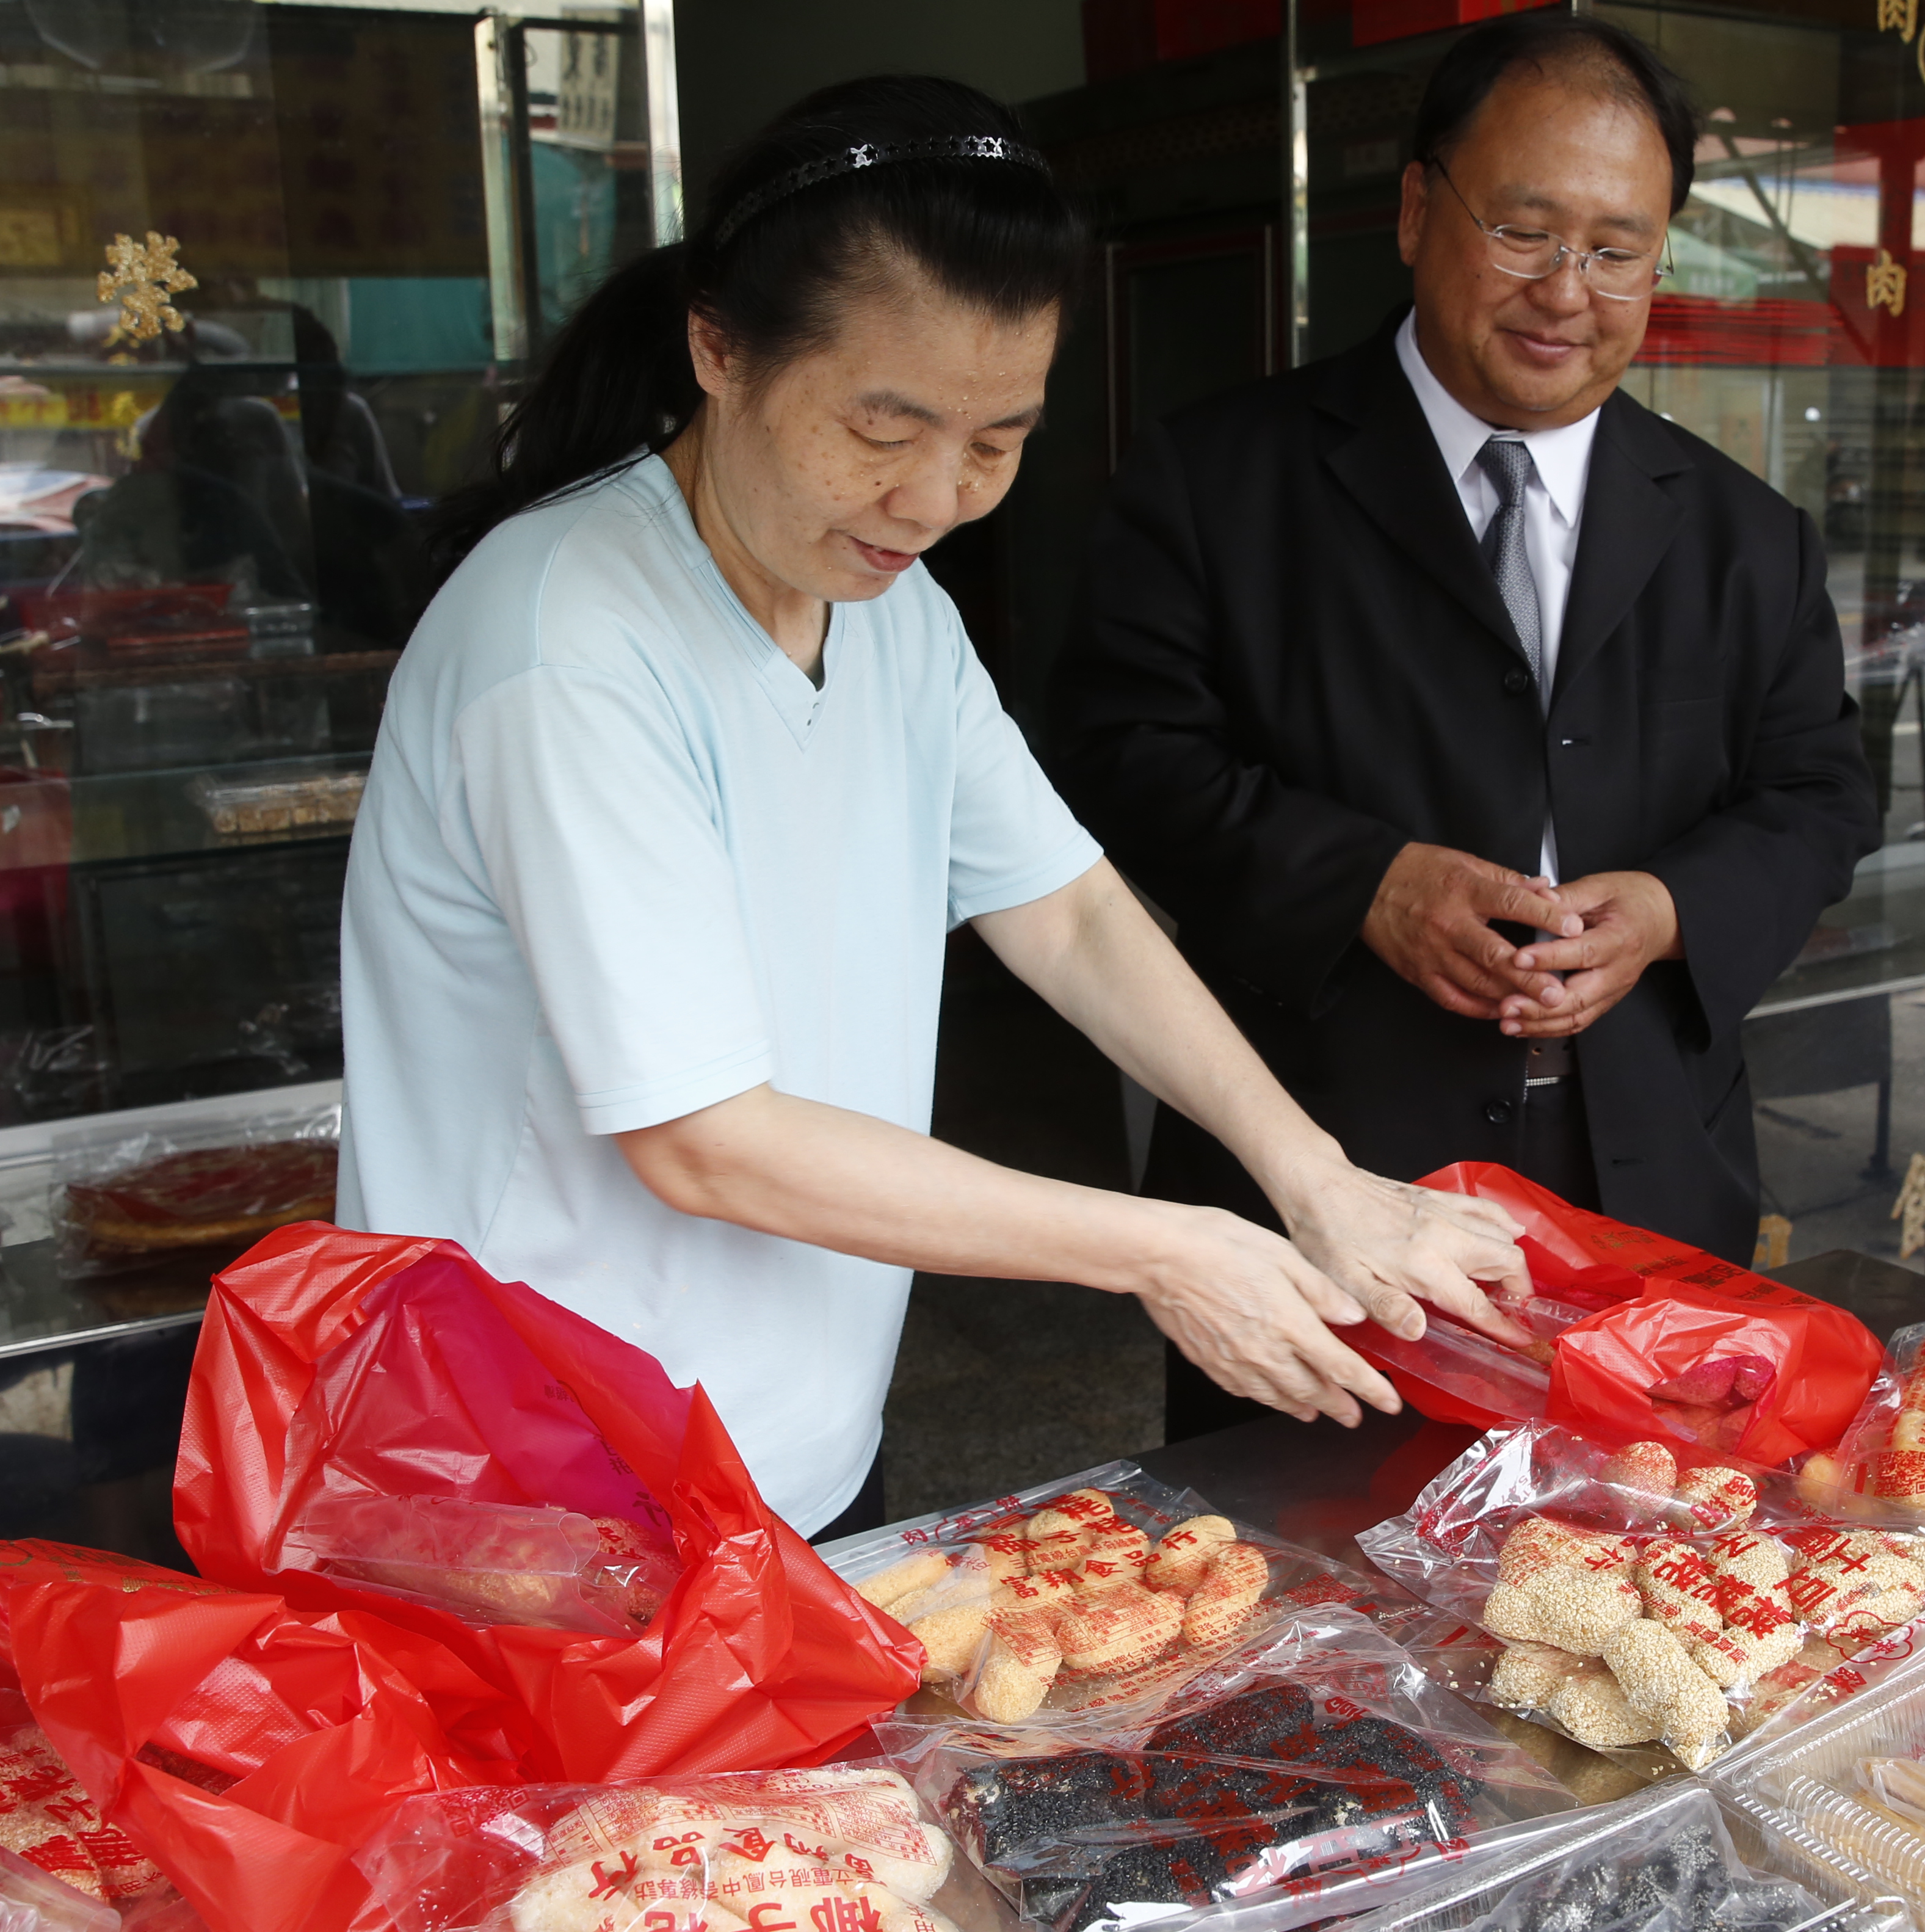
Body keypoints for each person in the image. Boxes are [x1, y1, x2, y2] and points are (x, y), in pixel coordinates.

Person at [338, 76, 1528, 1539]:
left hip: (791, 1441)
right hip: (547, 1491)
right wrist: (1163, 1247)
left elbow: (1070, 909)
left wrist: (1314, 1175)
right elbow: (701, 1136)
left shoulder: (887, 606)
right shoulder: (566, 645)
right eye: (884, 427)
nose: (934, 498)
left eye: (996, 440)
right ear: (720, 347)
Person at [1044, 11, 1880, 1439]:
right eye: (1526, 230)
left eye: (1618, 248)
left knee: (1627, 1595)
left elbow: (1820, 792)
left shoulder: (1747, 538)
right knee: (1310, 1614)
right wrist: (1365, 881)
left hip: (1643, 1182)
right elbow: (1118, 758)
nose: (1569, 290)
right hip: (1323, 1177)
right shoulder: (1223, 478)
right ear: (1421, 211)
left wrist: (1672, 910)